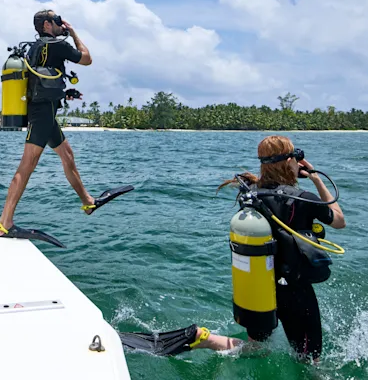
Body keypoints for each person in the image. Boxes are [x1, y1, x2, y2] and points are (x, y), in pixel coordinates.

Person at [119, 135, 344, 362]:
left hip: (259, 285)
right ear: (289, 161)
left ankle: (204, 338)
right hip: (294, 289)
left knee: (258, 347)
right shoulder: (302, 199)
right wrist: (315, 178)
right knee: (310, 360)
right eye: (296, 157)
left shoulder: (251, 195)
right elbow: (339, 220)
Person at [0, 9, 132, 247]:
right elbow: (87, 58)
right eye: (57, 21)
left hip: (44, 110)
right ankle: (5, 223)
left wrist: (64, 93)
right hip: (42, 114)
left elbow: (44, 79)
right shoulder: (57, 45)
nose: (61, 24)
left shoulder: (36, 47)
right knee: (26, 167)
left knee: (67, 156)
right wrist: (74, 32)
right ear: (47, 25)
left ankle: (88, 202)